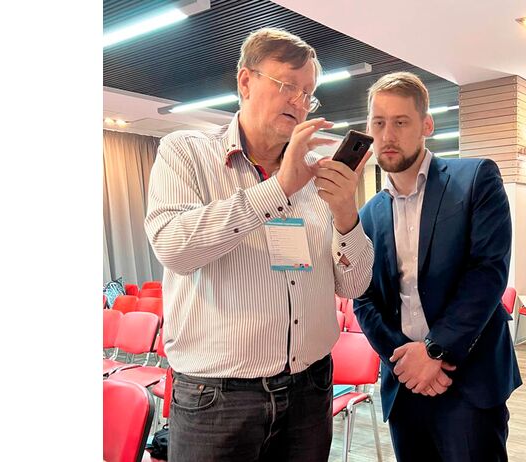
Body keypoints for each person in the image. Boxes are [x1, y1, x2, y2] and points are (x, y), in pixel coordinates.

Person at [144, 28, 374, 461]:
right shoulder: (186, 153)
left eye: (308, 94)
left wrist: (346, 213)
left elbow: (355, 285)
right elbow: (174, 247)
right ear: (245, 82)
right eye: (288, 85)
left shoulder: (316, 176)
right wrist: (279, 189)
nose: (299, 102)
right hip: (217, 399)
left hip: (310, 388)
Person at [353, 72, 523, 461]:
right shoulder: (367, 214)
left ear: (426, 125)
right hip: (405, 385)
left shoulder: (476, 179)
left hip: (468, 379)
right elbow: (363, 297)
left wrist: (433, 351)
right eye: (379, 123)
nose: (388, 135)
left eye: (401, 122)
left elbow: (487, 273)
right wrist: (406, 362)